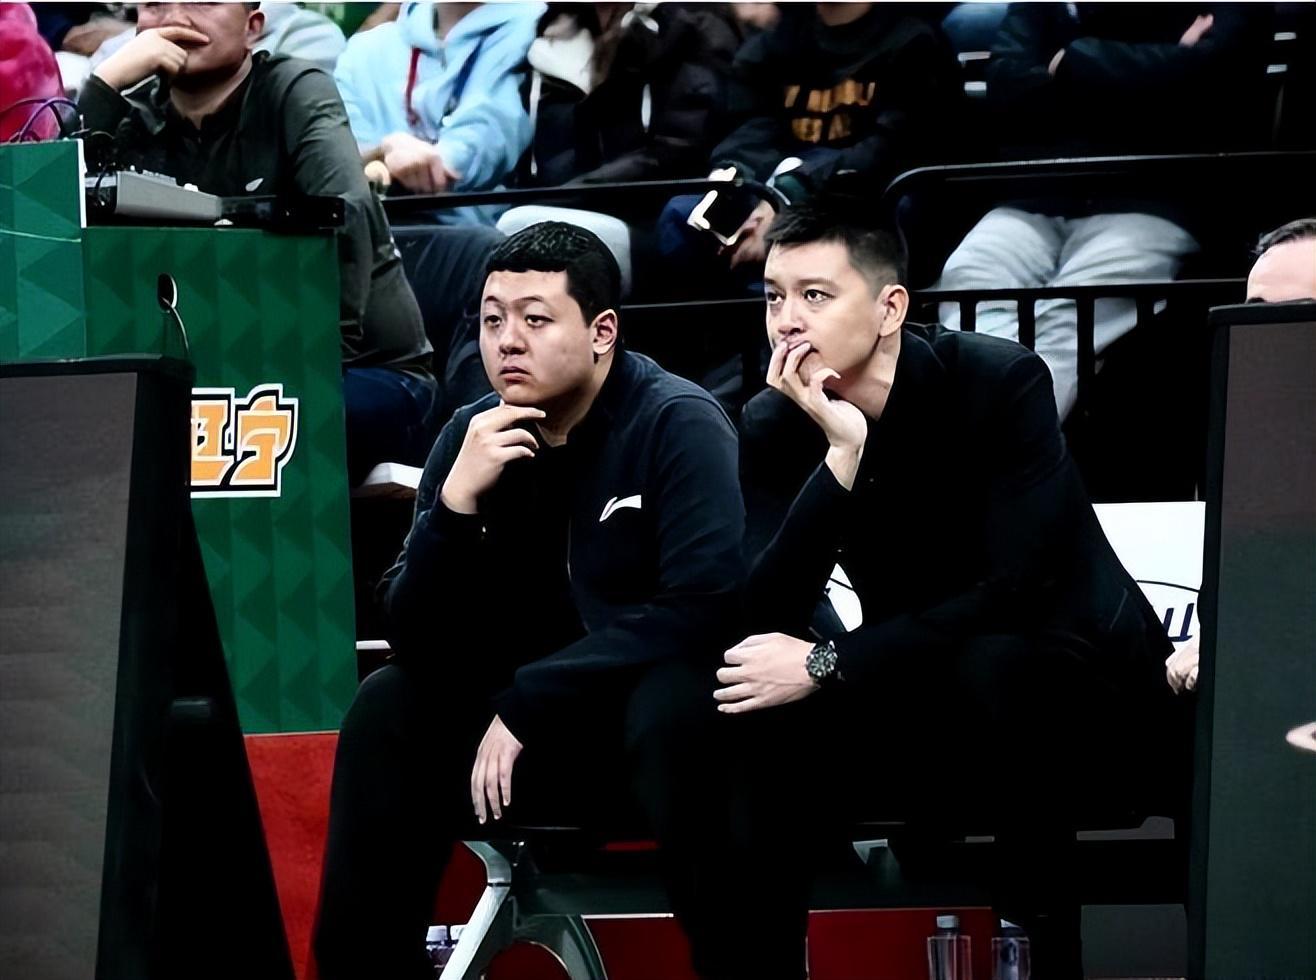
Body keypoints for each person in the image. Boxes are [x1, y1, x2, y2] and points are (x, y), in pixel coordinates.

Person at [728, 197, 1176, 977]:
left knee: (996, 667)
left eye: (815, 295)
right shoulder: (776, 420)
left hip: (1074, 663)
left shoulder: (998, 380)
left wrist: (830, 663)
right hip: (915, 666)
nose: (786, 321)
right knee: (742, 696)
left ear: (891, 307)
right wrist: (840, 457)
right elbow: (767, 608)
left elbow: (1018, 588)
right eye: (774, 296)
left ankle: (1044, 955)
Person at [313, 222, 753, 979]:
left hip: (639, 731)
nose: (507, 342)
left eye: (535, 319)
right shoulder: (470, 434)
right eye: (492, 321)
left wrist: (534, 699)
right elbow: (413, 635)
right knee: (388, 706)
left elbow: (703, 605)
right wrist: (453, 508)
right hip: (519, 742)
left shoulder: (675, 421)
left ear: (602, 331)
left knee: (674, 704)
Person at [77, 2, 438, 487]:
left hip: (361, 370)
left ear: (253, 28)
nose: (176, 18)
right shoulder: (133, 116)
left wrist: (316, 362)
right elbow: (45, 213)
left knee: (229, 434)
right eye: (155, 4)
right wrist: (102, 87)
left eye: (203, 1)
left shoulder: (295, 91)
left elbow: (344, 212)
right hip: (208, 381)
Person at [936, 3, 1274, 419]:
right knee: (970, 278)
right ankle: (979, 440)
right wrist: (1147, 78)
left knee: (1070, 319)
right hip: (1034, 192)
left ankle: (1000, 446)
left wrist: (1071, 61)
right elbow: (1007, 85)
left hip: (1154, 197)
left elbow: (1212, 80)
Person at [1166, 216, 1316, 694]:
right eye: (1256, 313)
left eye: (1301, 313)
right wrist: (1215, 638)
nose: (1267, 334)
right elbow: (1248, 596)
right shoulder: (1250, 444)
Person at [333, 1, 542, 225]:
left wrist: (432, 162)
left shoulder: (536, 29)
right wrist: (383, 153)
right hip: (370, 228)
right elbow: (338, 158)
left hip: (480, 233)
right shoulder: (364, 48)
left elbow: (490, 131)